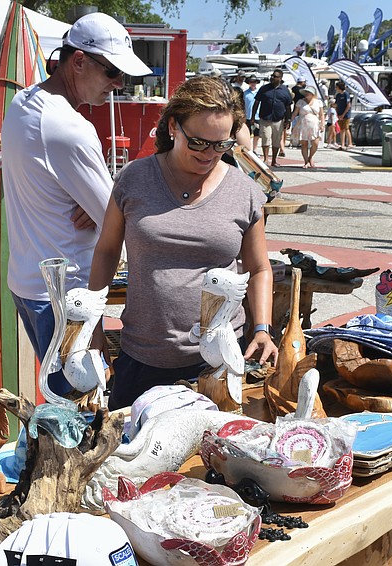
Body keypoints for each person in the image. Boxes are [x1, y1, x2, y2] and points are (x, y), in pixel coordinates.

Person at [88, 76, 279, 410]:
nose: (210, 154)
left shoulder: (244, 191)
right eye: (199, 142)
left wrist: (262, 327)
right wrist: (94, 325)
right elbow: (106, 251)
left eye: (222, 145)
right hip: (142, 357)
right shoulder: (135, 178)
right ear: (174, 126)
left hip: (218, 362)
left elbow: (259, 268)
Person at [0, 12, 151, 395]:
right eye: (112, 73)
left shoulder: (24, 101)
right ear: (79, 61)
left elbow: (105, 208)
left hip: (30, 282)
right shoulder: (69, 127)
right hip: (67, 296)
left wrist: (98, 203)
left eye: (123, 76)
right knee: (81, 414)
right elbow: (121, 218)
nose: (118, 85)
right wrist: (104, 208)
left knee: (63, 401)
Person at [251, 69, 292, 167]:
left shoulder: (285, 91)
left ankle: (274, 160)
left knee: (276, 140)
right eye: (272, 76)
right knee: (265, 138)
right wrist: (252, 116)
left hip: (278, 119)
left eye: (275, 76)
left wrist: (288, 120)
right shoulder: (264, 89)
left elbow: (288, 107)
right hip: (265, 118)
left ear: (280, 78)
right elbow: (256, 102)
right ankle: (266, 159)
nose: (272, 78)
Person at [292, 85, 324, 168]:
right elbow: (295, 113)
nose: (307, 94)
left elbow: (321, 114)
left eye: (309, 92)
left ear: (313, 94)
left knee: (315, 143)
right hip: (303, 124)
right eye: (306, 92)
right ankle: (306, 161)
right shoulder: (300, 102)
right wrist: (290, 121)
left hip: (314, 124)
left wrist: (322, 124)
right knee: (304, 144)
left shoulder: (318, 102)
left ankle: (310, 157)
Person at [242, 73, 261, 152]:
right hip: (248, 116)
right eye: (251, 82)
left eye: (254, 82)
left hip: (257, 116)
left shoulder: (259, 93)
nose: (253, 83)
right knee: (248, 133)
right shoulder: (245, 93)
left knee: (257, 134)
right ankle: (248, 149)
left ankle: (255, 149)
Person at [335, 81, 352, 149]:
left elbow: (348, 105)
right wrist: (338, 114)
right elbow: (336, 104)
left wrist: (343, 114)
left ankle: (350, 143)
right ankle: (342, 144)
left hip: (346, 114)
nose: (336, 88)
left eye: (336, 87)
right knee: (341, 129)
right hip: (339, 114)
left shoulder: (346, 94)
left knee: (346, 128)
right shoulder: (338, 95)